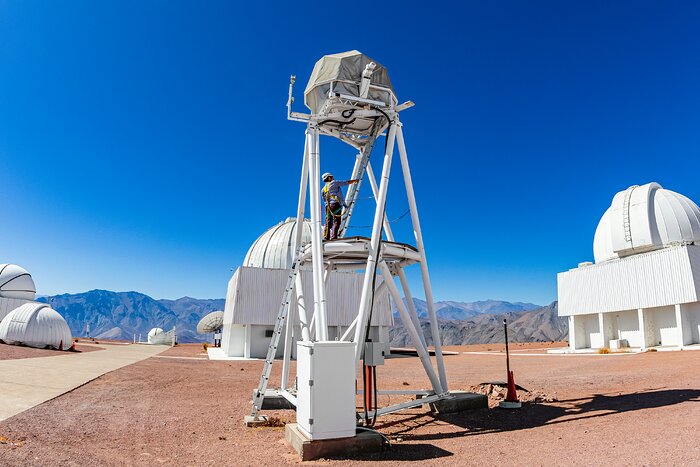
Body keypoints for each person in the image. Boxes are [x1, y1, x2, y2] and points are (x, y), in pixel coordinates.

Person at [321, 172, 359, 240]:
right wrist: (355, 181)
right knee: (336, 221)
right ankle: (333, 237)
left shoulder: (323, 189)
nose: (333, 178)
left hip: (328, 207)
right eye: (332, 177)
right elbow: (345, 182)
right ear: (329, 178)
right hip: (335, 204)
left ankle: (326, 237)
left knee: (328, 222)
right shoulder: (334, 183)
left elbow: (324, 200)